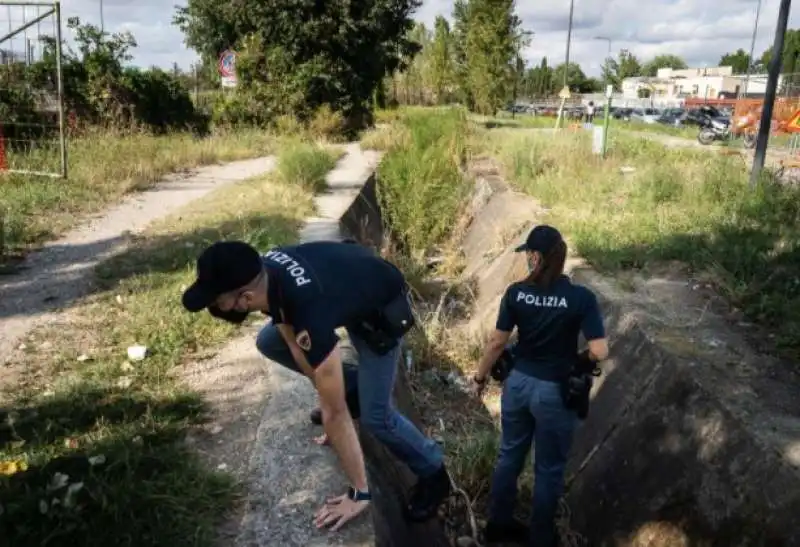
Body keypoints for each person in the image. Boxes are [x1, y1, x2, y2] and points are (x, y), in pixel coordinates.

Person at [181, 239, 451, 531]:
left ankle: (435, 473)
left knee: (377, 417)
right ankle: (353, 390)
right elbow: (291, 338)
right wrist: (331, 397)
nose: (215, 309)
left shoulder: (308, 310)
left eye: (217, 302)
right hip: (346, 281)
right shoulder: (267, 276)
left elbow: (333, 412)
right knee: (267, 341)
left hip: (379, 307)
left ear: (245, 298)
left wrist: (359, 492)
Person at [469, 225, 608, 546]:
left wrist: (479, 379)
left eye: (528, 254)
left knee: (509, 456)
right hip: (554, 393)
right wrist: (579, 361)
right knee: (548, 469)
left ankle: (497, 525)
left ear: (535, 257)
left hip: (517, 386)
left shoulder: (516, 293)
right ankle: (540, 538)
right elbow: (600, 349)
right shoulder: (580, 298)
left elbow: (496, 343)